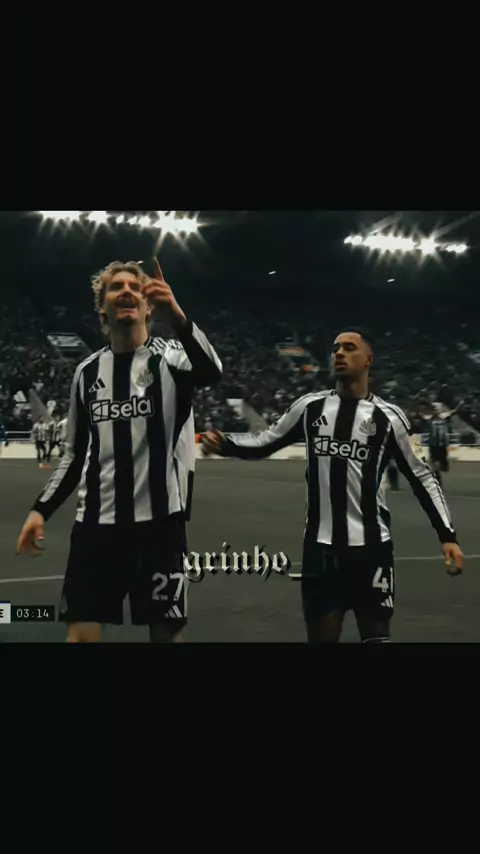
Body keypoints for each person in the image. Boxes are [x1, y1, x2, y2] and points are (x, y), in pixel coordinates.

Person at [202, 328, 464, 644]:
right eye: (336, 348)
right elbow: (266, 441)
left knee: (377, 639)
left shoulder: (389, 419)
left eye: (349, 348)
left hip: (372, 549)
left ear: (368, 360)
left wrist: (447, 535)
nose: (339, 353)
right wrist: (227, 443)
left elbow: (422, 477)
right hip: (320, 550)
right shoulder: (309, 408)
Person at [16, 259, 222, 643]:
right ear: (102, 308)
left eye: (135, 287)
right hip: (95, 528)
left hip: (160, 529)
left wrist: (177, 314)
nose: (126, 291)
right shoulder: (87, 373)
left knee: (166, 637)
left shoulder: (172, 359)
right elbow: (74, 455)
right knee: (80, 637)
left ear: (147, 306)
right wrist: (40, 509)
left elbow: (212, 372)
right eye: (116, 287)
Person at [421, 401, 463, 489]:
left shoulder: (443, 417)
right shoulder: (428, 418)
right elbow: (421, 415)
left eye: (436, 409)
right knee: (435, 465)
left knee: (444, 467)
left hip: (442, 445)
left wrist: (460, 405)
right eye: (433, 409)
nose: (435, 411)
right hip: (433, 445)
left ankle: (438, 475)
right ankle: (438, 483)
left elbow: (454, 411)